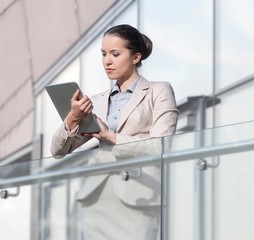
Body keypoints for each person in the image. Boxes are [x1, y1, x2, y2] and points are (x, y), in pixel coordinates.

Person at [50, 24, 179, 240]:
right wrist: (72, 118)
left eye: (115, 54)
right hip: (98, 198)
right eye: (103, 54)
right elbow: (57, 150)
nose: (107, 61)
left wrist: (110, 136)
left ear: (136, 57)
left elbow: (161, 147)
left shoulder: (159, 91)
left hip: (139, 196)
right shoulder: (97, 101)